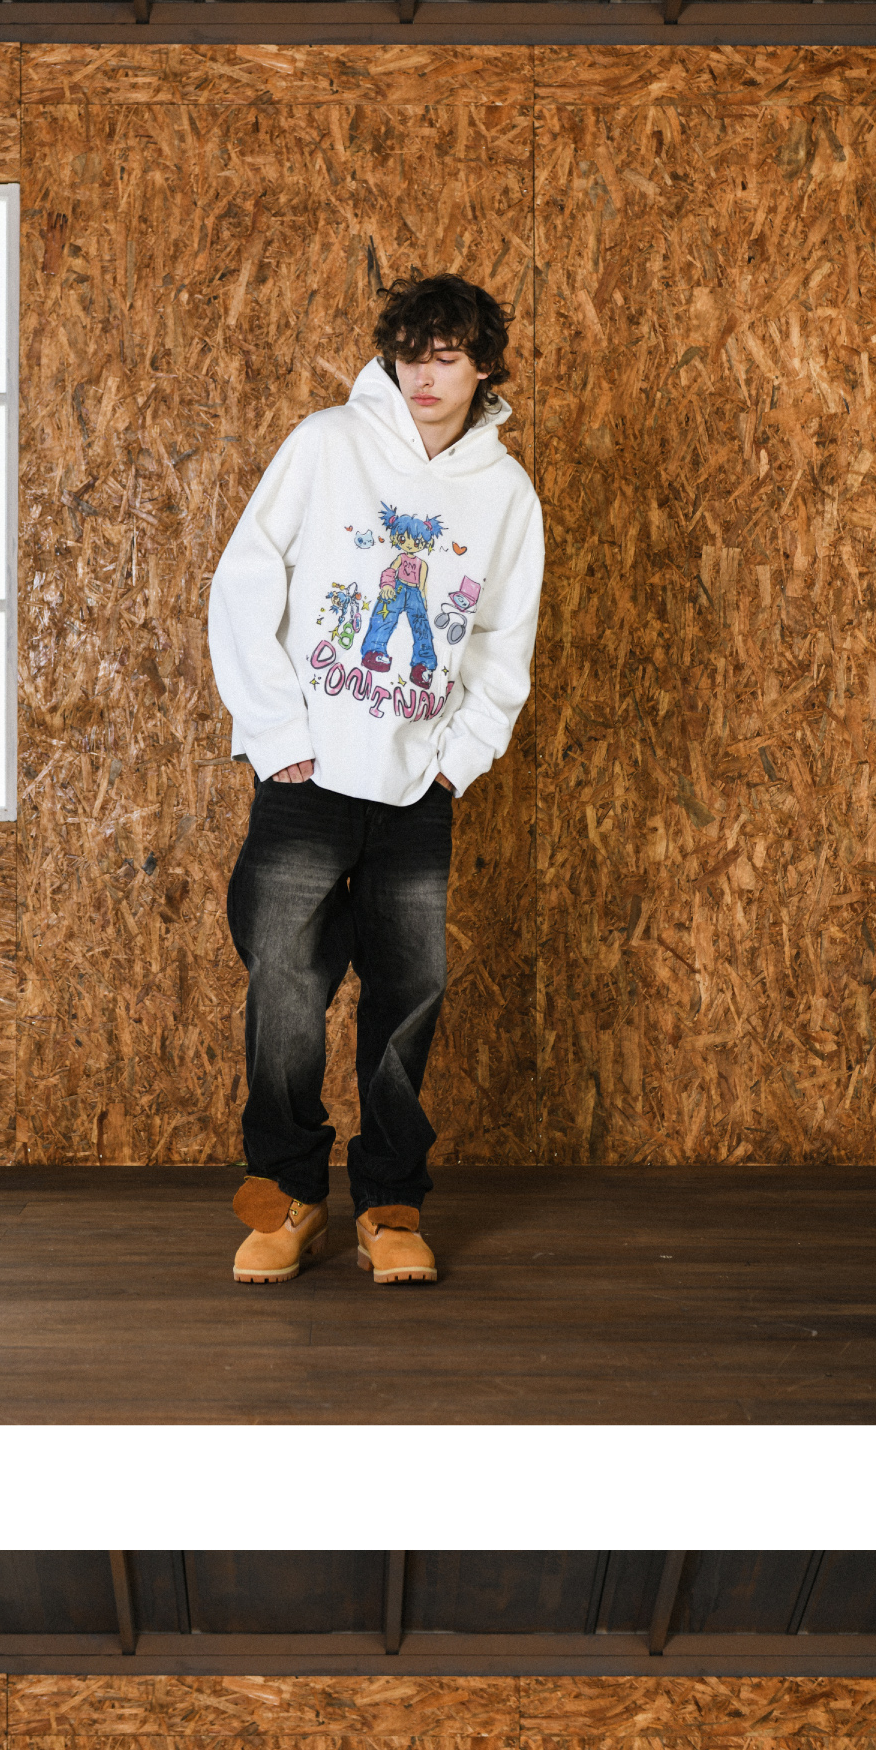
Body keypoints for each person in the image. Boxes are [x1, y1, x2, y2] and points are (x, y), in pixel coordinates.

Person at [207, 269, 543, 1288]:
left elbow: (502, 646)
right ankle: (286, 1199)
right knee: (284, 989)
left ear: (484, 368)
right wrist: (277, 733)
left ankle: (390, 1206)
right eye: (410, 355)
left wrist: (455, 764)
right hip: (307, 775)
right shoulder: (327, 444)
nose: (424, 376)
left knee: (407, 996)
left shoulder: (505, 495)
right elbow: (244, 579)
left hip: (415, 789)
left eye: (447, 356)